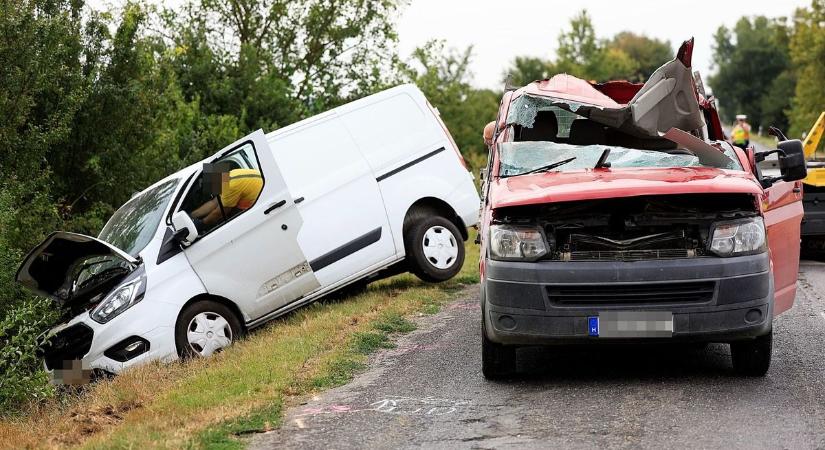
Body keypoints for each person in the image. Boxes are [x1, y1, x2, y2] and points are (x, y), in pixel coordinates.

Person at [190, 162, 263, 232]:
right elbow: (214, 202)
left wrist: (201, 223)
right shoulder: (230, 175)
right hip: (259, 191)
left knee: (226, 219)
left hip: (260, 203)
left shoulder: (230, 187)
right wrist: (192, 215)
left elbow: (220, 213)